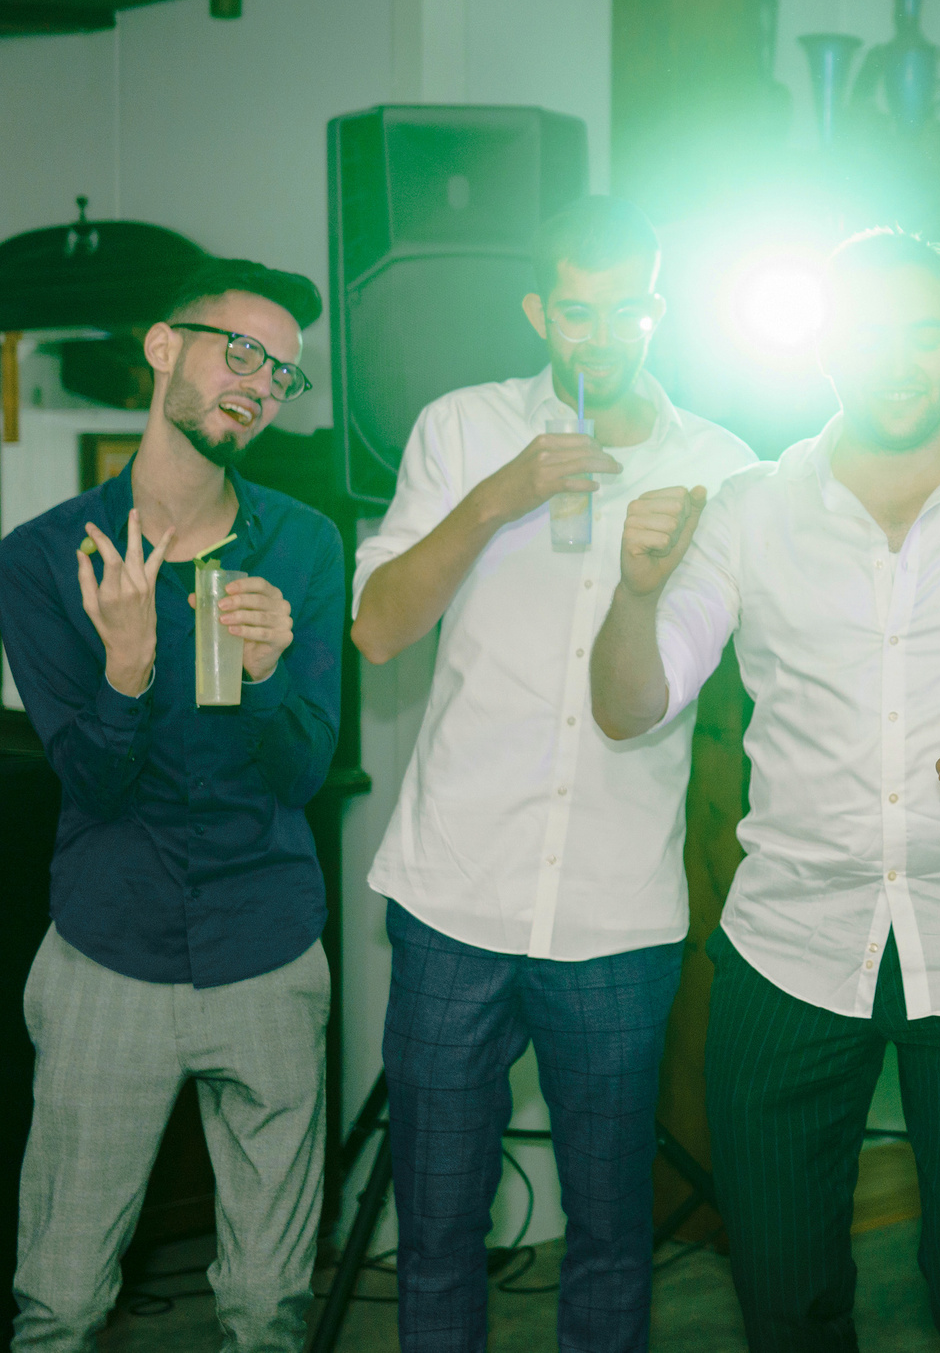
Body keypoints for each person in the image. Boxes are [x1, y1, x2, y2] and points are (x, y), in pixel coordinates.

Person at [589, 227, 940, 1353]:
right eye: (877, 334)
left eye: (927, 333)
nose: (905, 359)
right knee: (783, 1286)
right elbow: (631, 704)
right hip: (791, 943)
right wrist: (636, 594)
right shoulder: (746, 508)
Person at [349, 196, 754, 1352]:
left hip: (616, 908)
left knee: (615, 1234)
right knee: (433, 1229)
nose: (600, 335)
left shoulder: (717, 462)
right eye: (576, 310)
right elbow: (378, 630)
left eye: (625, 310)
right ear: (541, 309)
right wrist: (500, 496)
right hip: (454, 890)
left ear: (657, 311)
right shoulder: (462, 427)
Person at [0, 259, 344, 1353]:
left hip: (270, 954)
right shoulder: (50, 557)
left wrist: (268, 670)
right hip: (110, 955)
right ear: (163, 349)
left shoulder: (304, 546)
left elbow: (302, 774)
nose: (259, 383)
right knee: (58, 1302)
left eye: (281, 372)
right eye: (239, 351)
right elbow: (91, 787)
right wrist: (131, 670)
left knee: (268, 1308)